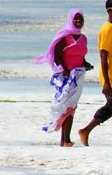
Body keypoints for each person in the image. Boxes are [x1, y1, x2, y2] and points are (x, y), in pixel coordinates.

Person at [78, 0, 112, 147]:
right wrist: (106, 82)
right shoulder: (106, 29)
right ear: (109, 11)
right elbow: (103, 55)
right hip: (110, 77)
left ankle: (86, 130)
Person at [36, 8, 92, 146]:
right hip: (66, 77)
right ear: (70, 20)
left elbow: (81, 56)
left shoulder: (83, 38)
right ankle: (65, 140)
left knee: (72, 106)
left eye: (81, 19)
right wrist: (66, 71)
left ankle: (65, 140)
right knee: (66, 106)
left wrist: (86, 64)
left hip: (78, 75)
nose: (78, 21)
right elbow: (56, 58)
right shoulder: (64, 37)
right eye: (76, 18)